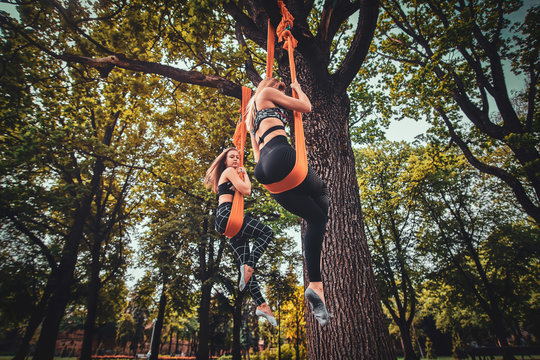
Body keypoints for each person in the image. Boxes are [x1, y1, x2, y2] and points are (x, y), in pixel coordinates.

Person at [245, 77, 331, 326]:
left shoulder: (251, 119)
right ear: (268, 85)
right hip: (280, 154)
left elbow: (257, 154)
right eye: (279, 88)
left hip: (264, 169)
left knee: (314, 216)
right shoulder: (264, 95)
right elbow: (306, 107)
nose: (281, 92)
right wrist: (299, 90)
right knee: (322, 192)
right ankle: (315, 281)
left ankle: (316, 285)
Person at [204, 147, 277, 327]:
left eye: (238, 157)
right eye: (232, 157)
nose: (236, 159)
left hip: (228, 223)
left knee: (244, 270)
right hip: (228, 215)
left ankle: (262, 305)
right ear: (225, 161)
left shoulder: (230, 172)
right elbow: (246, 190)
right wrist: (245, 174)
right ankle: (250, 266)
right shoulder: (229, 171)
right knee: (266, 232)